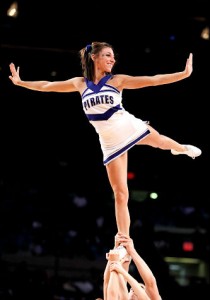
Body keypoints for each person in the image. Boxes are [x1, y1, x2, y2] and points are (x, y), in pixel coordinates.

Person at [8, 41, 201, 236]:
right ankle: (124, 238)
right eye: (107, 55)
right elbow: (47, 86)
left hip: (126, 126)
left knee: (160, 142)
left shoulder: (117, 81)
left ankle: (181, 148)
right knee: (120, 194)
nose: (112, 59)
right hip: (110, 142)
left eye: (113, 56)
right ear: (94, 57)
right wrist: (21, 82)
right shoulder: (80, 83)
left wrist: (183, 74)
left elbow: (152, 80)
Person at [98, 232, 162, 300]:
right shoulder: (123, 296)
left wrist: (114, 260)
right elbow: (108, 282)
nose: (133, 289)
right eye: (133, 288)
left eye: (140, 288)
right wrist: (117, 250)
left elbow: (150, 285)